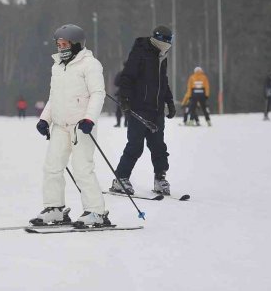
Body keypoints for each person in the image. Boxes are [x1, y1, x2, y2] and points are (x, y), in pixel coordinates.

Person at [33, 24, 109, 228]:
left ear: (76, 44)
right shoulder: (57, 66)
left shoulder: (90, 64)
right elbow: (54, 97)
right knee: (52, 168)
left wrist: (89, 118)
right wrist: (45, 119)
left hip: (81, 125)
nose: (60, 48)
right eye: (58, 44)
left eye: (64, 44)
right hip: (59, 125)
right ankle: (55, 209)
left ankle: (96, 212)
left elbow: (98, 93)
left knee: (82, 169)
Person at [110, 25, 176, 196]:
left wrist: (169, 101)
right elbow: (127, 76)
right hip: (139, 108)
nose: (169, 43)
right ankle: (121, 178)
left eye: (171, 40)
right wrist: (124, 99)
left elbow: (163, 81)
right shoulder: (141, 51)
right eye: (167, 40)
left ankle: (160, 178)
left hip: (156, 110)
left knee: (159, 147)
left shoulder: (163, 56)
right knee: (135, 146)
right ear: (159, 39)